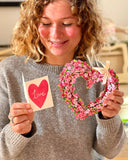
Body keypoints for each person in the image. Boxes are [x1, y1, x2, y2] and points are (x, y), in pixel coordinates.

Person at [0, 0, 126, 160]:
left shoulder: (99, 74)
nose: (55, 34)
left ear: (85, 25)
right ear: (33, 24)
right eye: (45, 23)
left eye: (66, 23)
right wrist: (17, 131)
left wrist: (108, 118)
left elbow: (110, 151)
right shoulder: (9, 72)